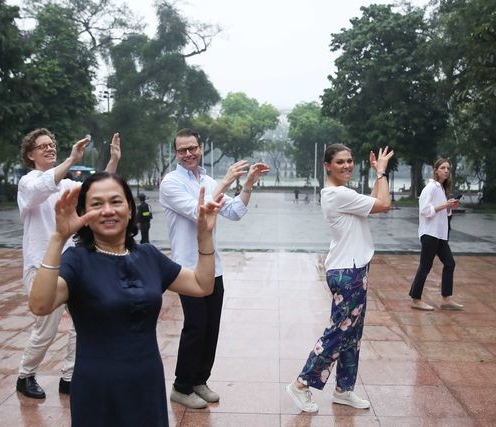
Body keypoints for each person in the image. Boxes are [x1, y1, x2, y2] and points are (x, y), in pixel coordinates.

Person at [28, 172, 224, 426]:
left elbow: (202, 285)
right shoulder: (76, 261)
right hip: (97, 387)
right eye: (97, 204)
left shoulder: (149, 256)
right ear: (83, 214)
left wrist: (204, 236)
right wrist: (58, 239)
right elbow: (40, 304)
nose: (108, 210)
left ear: (130, 209)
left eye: (116, 202)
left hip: (147, 382)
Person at [159, 128, 270, 409]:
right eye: (182, 150)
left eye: (192, 148)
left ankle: (199, 380)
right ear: (176, 153)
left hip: (213, 266)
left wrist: (247, 184)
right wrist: (226, 180)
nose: (188, 154)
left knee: (211, 328)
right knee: (195, 327)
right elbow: (201, 211)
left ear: (200, 148)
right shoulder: (170, 182)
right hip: (186, 267)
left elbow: (234, 212)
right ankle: (181, 386)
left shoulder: (207, 180)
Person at [286, 144, 393, 413]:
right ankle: (301, 384)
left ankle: (344, 389)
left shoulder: (343, 195)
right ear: (327, 166)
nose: (347, 165)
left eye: (349, 161)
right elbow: (385, 205)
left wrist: (377, 175)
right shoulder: (337, 194)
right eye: (340, 162)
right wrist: (381, 173)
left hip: (353, 268)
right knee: (338, 332)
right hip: (348, 272)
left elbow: (371, 204)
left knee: (352, 334)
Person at [16, 128, 120, 399]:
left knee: (81, 323)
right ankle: (25, 375)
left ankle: (70, 377)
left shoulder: (66, 185)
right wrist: (71, 160)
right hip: (40, 265)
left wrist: (113, 161)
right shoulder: (28, 183)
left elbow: (94, 189)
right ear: (30, 155)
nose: (50, 149)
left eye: (52, 144)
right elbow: (42, 188)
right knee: (46, 327)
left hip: (71, 264)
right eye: (42, 147)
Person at [408, 158, 463, 312]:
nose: (446, 171)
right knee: (425, 266)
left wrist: (449, 206)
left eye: (448, 168)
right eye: (443, 168)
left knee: (450, 263)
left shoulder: (441, 189)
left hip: (440, 235)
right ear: (436, 170)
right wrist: (445, 205)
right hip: (429, 234)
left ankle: (446, 298)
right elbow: (425, 211)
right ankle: (416, 299)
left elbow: (442, 213)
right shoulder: (431, 188)